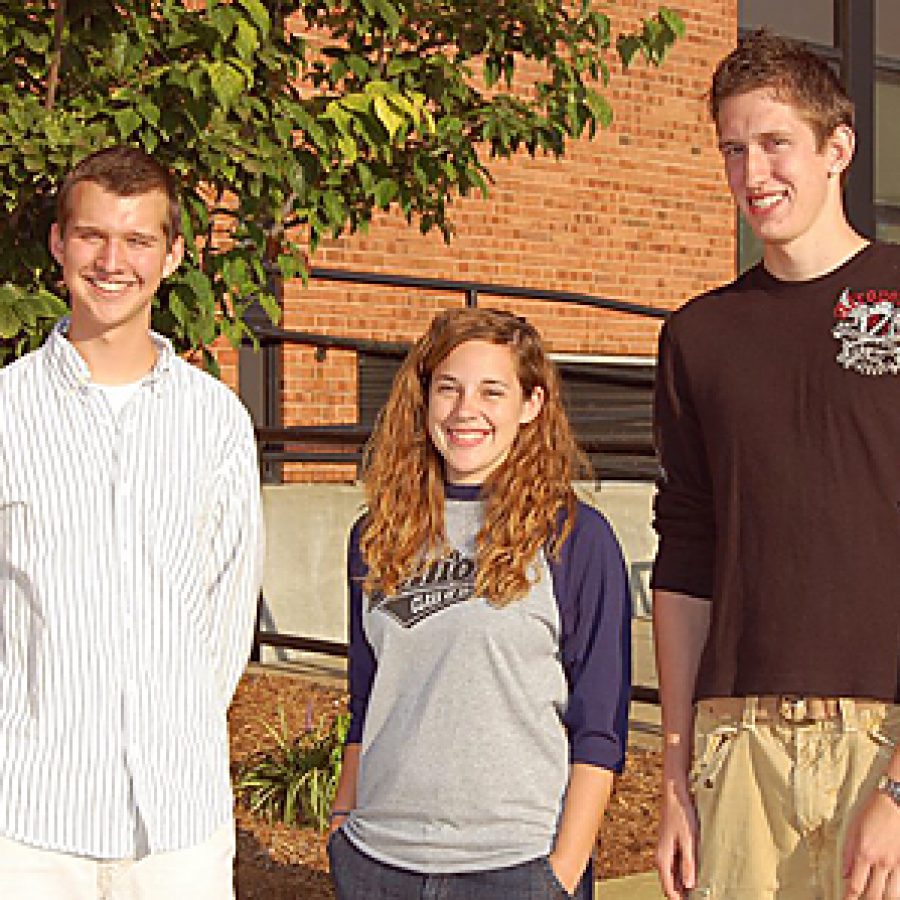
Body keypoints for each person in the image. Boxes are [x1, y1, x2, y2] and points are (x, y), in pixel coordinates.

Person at [652, 29, 900, 900]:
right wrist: (676, 776)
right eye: (732, 149)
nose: (752, 174)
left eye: (774, 143)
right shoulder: (697, 336)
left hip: (886, 740)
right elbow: (684, 556)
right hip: (738, 740)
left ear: (838, 148)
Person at [0, 146, 263, 898]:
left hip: (178, 825)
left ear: (173, 254)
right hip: (27, 821)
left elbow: (227, 610)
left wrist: (172, 723)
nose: (113, 261)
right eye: (92, 236)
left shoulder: (216, 421)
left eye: (139, 240)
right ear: (58, 243)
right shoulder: (6, 412)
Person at [327, 307, 631, 899]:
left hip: (516, 867)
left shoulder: (573, 536)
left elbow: (600, 725)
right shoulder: (377, 535)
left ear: (531, 405)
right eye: (449, 389)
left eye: (493, 391)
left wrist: (562, 873)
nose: (466, 411)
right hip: (379, 862)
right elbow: (367, 698)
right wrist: (343, 822)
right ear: (425, 400)